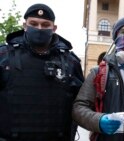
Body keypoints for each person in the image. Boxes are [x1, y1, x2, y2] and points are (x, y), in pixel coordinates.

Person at [0, 3, 84, 141]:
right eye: (33, 23)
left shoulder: (70, 61)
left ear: (54, 28)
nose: (39, 28)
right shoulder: (3, 56)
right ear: (25, 26)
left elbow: (81, 104)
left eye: (45, 25)